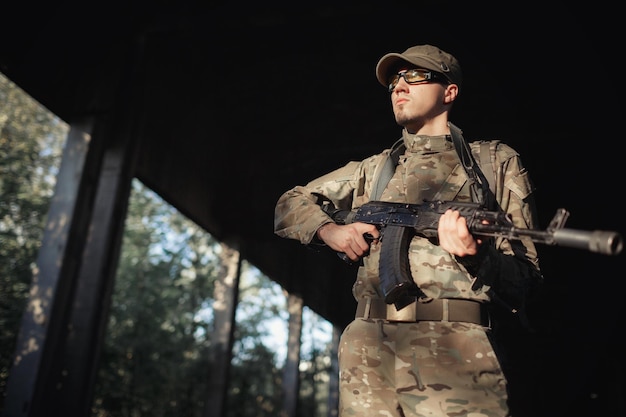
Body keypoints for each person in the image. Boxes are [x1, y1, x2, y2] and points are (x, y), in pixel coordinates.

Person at [274, 44, 543, 417]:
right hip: (367, 345)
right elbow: (290, 202)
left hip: (455, 347)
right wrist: (328, 231)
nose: (400, 86)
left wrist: (478, 254)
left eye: (416, 76)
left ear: (449, 92)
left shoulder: (493, 162)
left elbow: (525, 279)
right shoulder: (374, 168)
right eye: (395, 80)